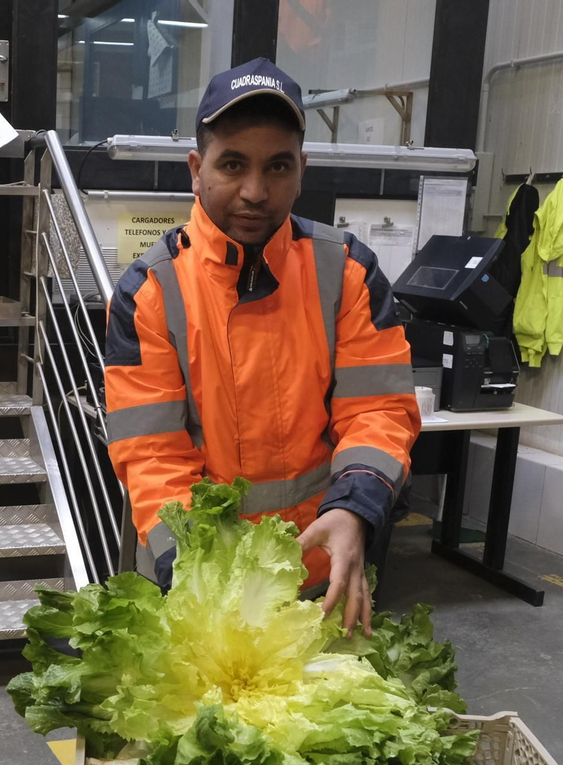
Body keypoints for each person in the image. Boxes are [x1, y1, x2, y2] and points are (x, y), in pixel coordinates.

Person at [103, 59, 420, 636]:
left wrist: (354, 509)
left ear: (302, 169)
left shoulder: (348, 272)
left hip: (324, 578)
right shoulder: (149, 292)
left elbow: (378, 413)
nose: (255, 191)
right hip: (202, 586)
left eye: (277, 167)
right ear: (197, 170)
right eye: (232, 165)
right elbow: (151, 455)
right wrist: (198, 577)